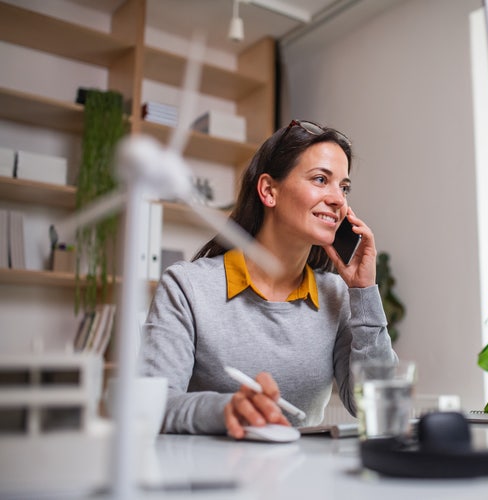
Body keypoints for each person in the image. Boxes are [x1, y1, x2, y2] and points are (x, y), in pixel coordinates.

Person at [140, 119, 397, 437]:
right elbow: (152, 407)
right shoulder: (186, 287)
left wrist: (363, 291)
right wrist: (226, 410)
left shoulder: (337, 295)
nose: (338, 200)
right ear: (268, 191)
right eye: (320, 179)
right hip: (210, 478)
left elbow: (376, 405)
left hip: (302, 480)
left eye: (343, 187)